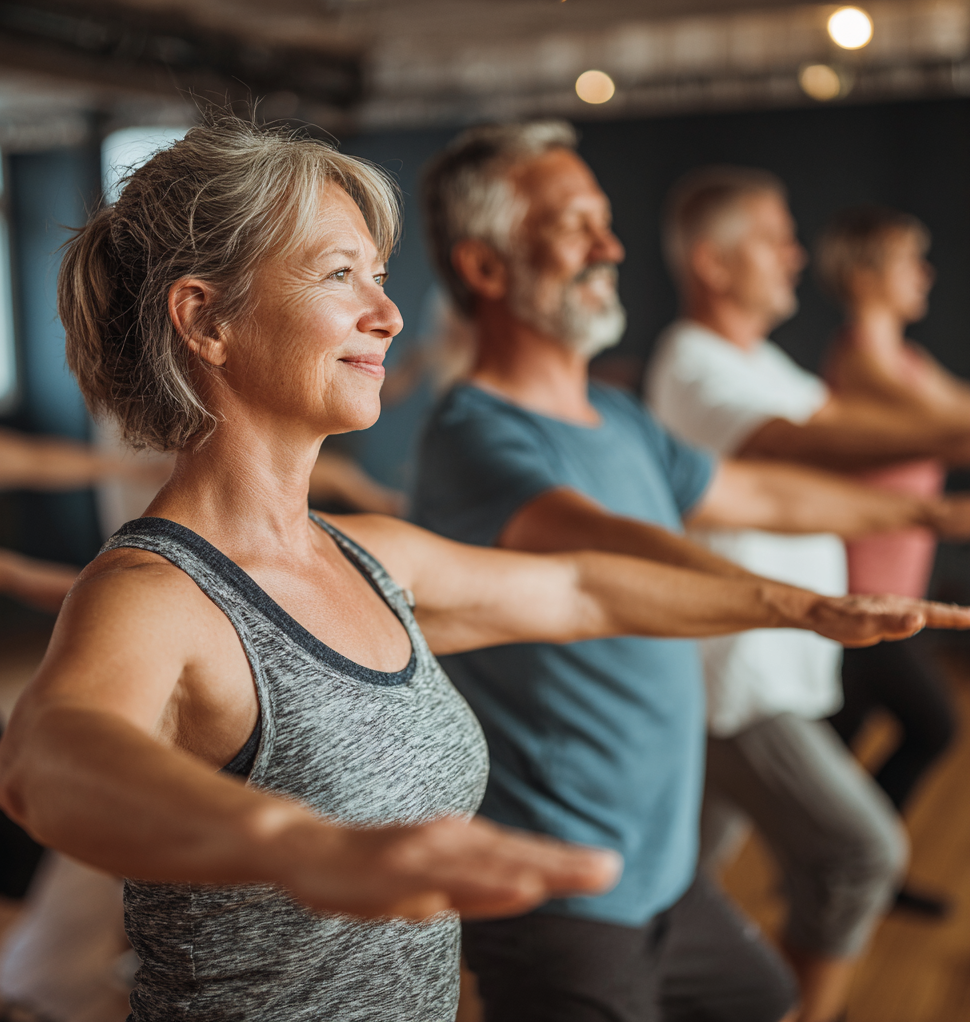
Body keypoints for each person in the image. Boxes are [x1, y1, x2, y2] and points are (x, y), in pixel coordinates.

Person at [0, 117, 966, 1022]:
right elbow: (45, 757)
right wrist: (301, 846)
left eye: (380, 276)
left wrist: (801, 606)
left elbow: (582, 588)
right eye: (340, 274)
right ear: (205, 319)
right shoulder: (157, 592)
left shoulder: (372, 556)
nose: (387, 314)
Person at [413, 121, 970, 1022]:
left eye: (605, 221)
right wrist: (804, 606)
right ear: (484, 267)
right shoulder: (475, 434)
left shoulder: (620, 417)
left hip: (665, 873)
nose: (611, 246)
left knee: (767, 1001)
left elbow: (761, 493)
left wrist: (932, 515)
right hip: (566, 887)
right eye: (576, 225)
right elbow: (601, 549)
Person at [644, 167, 970, 1022]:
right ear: (713, 263)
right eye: (774, 238)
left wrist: (935, 509)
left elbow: (845, 442)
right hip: (736, 678)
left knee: (682, 881)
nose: (796, 255)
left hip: (776, 667)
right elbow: (798, 450)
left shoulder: (769, 363)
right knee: (861, 854)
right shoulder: (692, 361)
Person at [0, 315, 170, 1021]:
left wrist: (125, 468)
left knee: (18, 829)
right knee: (19, 824)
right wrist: (14, 573)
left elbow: (34, 461)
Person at [818, 205, 965, 916]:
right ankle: (861, 865)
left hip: (895, 590)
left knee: (838, 744)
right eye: (911, 260)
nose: (925, 274)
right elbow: (950, 425)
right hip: (861, 594)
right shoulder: (862, 367)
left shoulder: (908, 363)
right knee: (933, 726)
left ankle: (854, 865)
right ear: (865, 275)